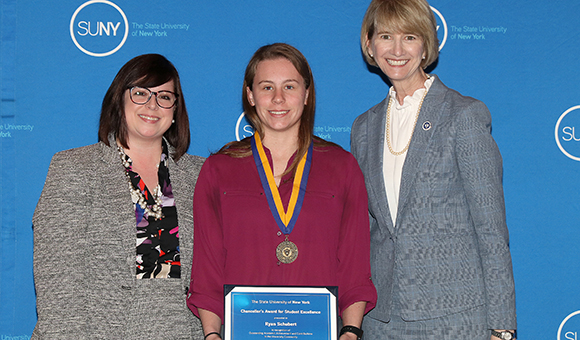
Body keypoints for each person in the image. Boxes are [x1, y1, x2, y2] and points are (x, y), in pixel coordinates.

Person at [350, 0, 517, 339]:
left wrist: (503, 327)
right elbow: (365, 232)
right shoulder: (363, 128)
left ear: (426, 44)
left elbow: (492, 231)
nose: (397, 50)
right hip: (382, 320)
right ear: (370, 44)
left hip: (454, 318)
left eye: (409, 37)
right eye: (385, 36)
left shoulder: (463, 115)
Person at [187, 43, 377, 340]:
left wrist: (351, 332)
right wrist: (211, 335)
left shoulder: (342, 167)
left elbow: (354, 263)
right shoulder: (218, 170)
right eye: (266, 87)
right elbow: (207, 266)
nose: (278, 98)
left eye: (289, 86)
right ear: (250, 95)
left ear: (307, 93)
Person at [32, 54, 204, 339]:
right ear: (119, 100)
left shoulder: (201, 174)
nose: (152, 104)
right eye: (140, 93)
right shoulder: (75, 168)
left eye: (164, 96)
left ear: (175, 110)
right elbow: (59, 281)